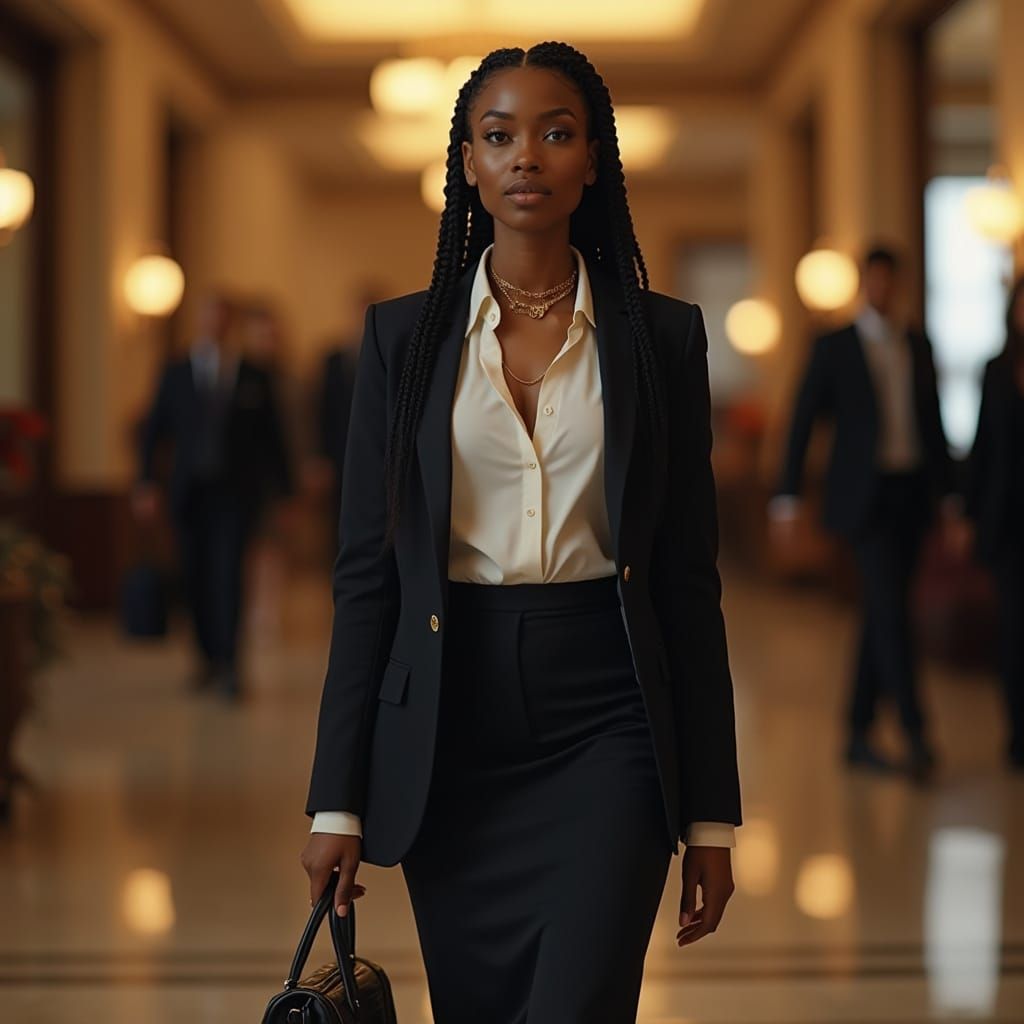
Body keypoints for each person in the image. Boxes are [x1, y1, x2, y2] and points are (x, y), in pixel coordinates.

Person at [300, 43, 741, 1024]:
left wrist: (711, 814)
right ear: (467, 164)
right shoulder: (402, 341)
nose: (526, 156)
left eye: (556, 133)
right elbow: (367, 578)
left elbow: (688, 583)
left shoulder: (662, 338)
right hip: (449, 722)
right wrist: (336, 798)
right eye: (498, 137)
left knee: (579, 1002)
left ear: (593, 160)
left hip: (611, 718)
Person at [771, 246, 956, 780]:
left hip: (911, 493)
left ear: (898, 285)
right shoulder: (835, 345)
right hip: (863, 500)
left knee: (883, 609)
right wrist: (787, 496)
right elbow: (802, 419)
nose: (882, 289)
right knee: (891, 612)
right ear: (864, 284)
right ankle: (916, 733)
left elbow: (932, 422)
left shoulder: (916, 343)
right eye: (874, 280)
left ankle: (857, 730)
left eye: (889, 281)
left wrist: (950, 494)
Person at [134, 293, 293, 700]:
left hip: (236, 496)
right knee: (195, 576)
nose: (216, 324)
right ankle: (206, 658)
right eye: (210, 316)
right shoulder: (176, 371)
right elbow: (154, 430)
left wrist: (285, 492)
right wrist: (146, 482)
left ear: (231, 323)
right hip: (190, 493)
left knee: (229, 576)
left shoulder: (254, 375)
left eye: (223, 317)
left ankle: (231, 664)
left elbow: (273, 438)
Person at [964, 275, 1024, 771]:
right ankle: (1018, 732)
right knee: (1014, 629)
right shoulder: (996, 370)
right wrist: (966, 510)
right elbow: (983, 443)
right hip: (1008, 521)